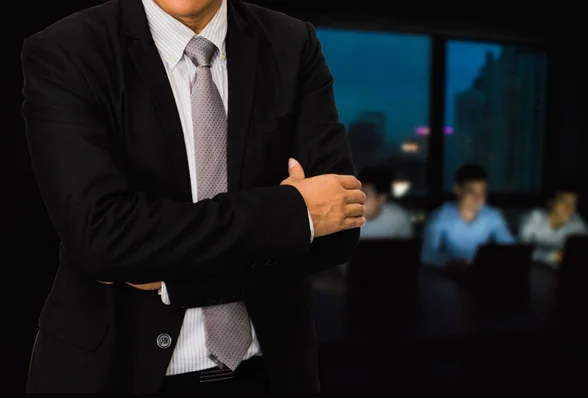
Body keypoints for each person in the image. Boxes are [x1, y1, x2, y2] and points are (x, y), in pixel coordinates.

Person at [21, 0, 365, 393]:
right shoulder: (69, 49)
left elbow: (339, 222)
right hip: (115, 369)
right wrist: (291, 212)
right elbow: (103, 239)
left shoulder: (291, 42)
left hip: (273, 371)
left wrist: (172, 280)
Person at [421, 163, 514, 271]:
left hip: (484, 276)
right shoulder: (441, 215)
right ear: (457, 189)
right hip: (448, 276)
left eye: (482, 192)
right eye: (471, 192)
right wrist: (450, 264)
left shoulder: (492, 215)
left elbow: (510, 248)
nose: (478, 198)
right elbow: (426, 252)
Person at [519, 184, 588, 268]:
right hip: (534, 268)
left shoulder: (576, 222)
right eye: (563, 202)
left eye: (573, 203)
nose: (569, 208)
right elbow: (521, 250)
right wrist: (551, 255)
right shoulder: (534, 217)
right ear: (551, 202)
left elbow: (587, 248)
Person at [359, 166, 414, 239]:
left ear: (381, 198)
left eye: (365, 195)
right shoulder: (349, 218)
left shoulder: (398, 218)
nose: (359, 200)